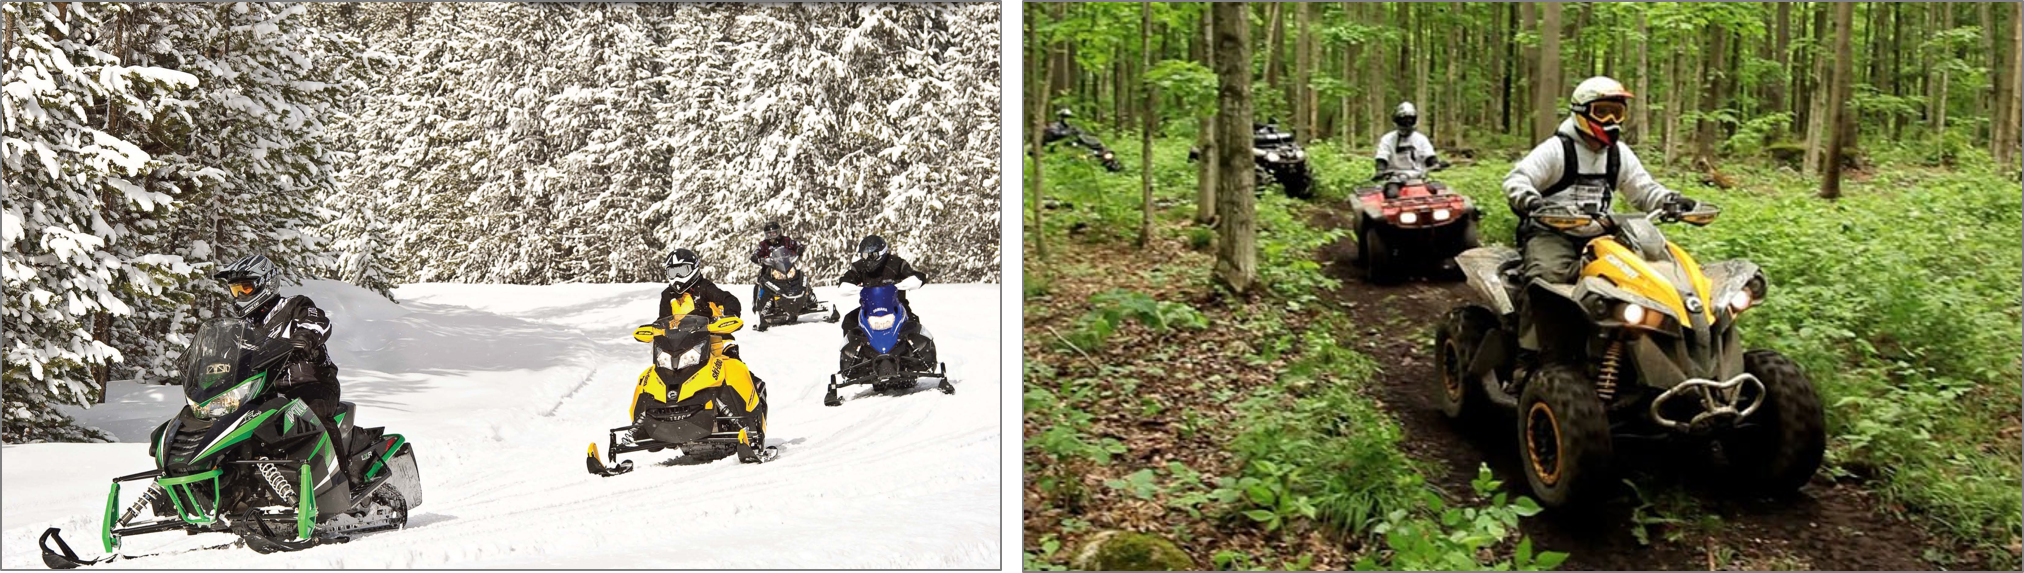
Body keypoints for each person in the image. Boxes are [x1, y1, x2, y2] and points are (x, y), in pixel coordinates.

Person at [1502, 76, 1701, 348]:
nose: (1611, 121)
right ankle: (1529, 356)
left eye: (1617, 112)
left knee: (1653, 276)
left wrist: (1671, 200)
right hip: (1553, 231)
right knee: (1546, 283)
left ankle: (1646, 345)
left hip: (1604, 232)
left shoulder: (1619, 154)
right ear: (1582, 113)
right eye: (1602, 112)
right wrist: (1531, 201)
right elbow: (1517, 179)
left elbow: (1642, 190)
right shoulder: (1557, 149)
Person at [214, 255, 341, 423]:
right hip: (263, 394)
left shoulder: (294, 305)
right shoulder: (243, 328)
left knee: (305, 416)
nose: (239, 295)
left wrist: (302, 341)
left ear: (266, 283)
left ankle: (336, 450)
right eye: (235, 290)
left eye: (245, 288)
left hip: (310, 384)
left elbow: (317, 323)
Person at [836, 234, 927, 342]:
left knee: (914, 324)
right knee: (849, 321)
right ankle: (852, 355)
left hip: (897, 307)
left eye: (872, 255)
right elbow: (847, 278)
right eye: (864, 255)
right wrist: (847, 285)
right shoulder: (860, 267)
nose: (868, 259)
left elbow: (914, 275)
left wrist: (914, 280)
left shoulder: (896, 264)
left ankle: (921, 356)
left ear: (882, 253)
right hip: (869, 309)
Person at [657, 248, 744, 359]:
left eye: (682, 271)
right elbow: (663, 320)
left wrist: (731, 315)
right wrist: (656, 330)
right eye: (673, 272)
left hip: (716, 337)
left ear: (694, 268)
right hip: (681, 344)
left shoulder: (704, 287)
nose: (677, 277)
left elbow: (728, 299)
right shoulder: (667, 295)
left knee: (731, 359)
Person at [1374, 102, 1442, 198]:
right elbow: (1382, 156)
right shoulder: (1388, 139)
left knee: (1435, 193)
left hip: (1418, 177)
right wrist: (1380, 170)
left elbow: (1428, 155)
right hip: (1395, 177)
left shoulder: (1421, 139)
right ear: (1397, 121)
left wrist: (1435, 164)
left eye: (1410, 120)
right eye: (1403, 120)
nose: (1407, 123)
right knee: (1391, 195)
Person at [748, 221, 804, 315]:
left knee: (800, 275)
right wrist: (756, 257)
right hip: (770, 269)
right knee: (761, 281)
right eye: (769, 234)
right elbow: (757, 252)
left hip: (786, 267)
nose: (772, 236)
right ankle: (759, 305)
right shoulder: (763, 245)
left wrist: (799, 249)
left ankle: (809, 298)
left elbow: (797, 245)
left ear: (779, 232)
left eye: (774, 233)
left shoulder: (786, 241)